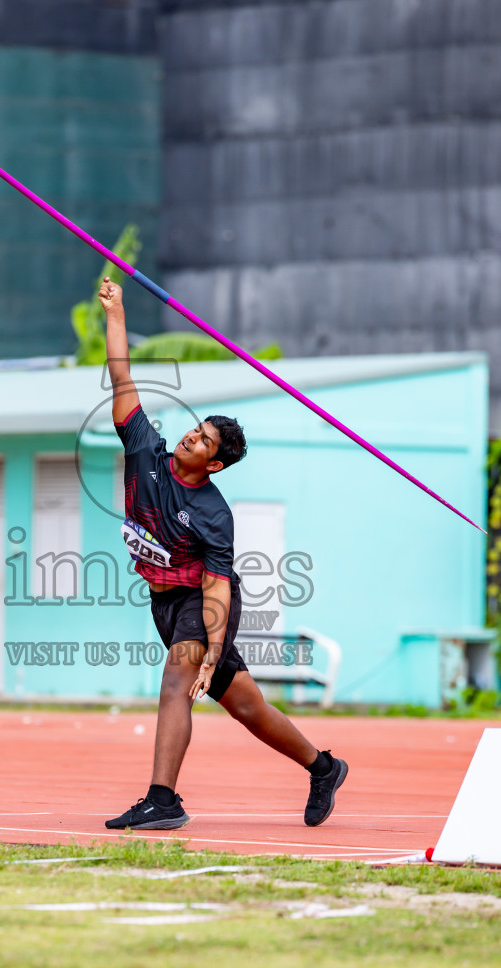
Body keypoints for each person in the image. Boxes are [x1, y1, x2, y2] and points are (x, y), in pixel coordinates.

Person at [99, 277, 347, 830]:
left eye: (203, 441)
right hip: (164, 602)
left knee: (175, 682)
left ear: (213, 464)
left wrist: (211, 651)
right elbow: (122, 374)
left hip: (202, 606)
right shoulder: (144, 449)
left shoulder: (215, 514)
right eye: (194, 430)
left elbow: (217, 586)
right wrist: (116, 312)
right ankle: (323, 766)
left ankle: (163, 800)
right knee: (245, 705)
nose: (190, 437)